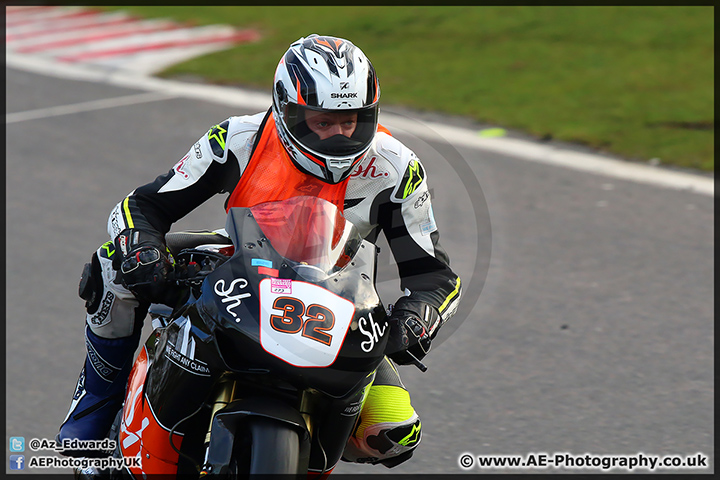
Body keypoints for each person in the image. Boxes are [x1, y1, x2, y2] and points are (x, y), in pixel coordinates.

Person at [58, 34, 462, 468]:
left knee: (395, 433)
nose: (340, 135)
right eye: (322, 121)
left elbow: (433, 276)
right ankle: (96, 406)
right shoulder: (237, 138)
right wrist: (143, 248)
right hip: (234, 267)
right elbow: (145, 205)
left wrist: (418, 316)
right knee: (112, 265)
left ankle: (315, 446)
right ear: (286, 109)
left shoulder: (398, 169)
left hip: (337, 296)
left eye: (353, 121)